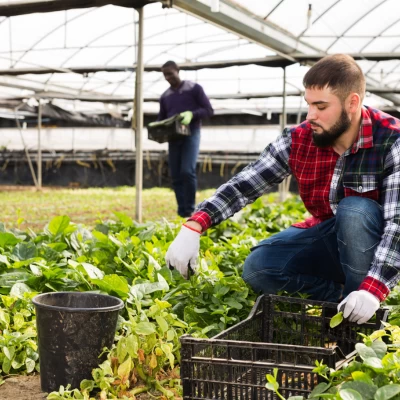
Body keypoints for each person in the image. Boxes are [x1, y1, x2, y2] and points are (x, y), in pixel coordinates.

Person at [166, 54, 400, 324]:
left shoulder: (391, 140)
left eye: (321, 106)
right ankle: (342, 302)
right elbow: (247, 183)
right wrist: (196, 224)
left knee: (355, 210)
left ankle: (359, 319)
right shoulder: (300, 139)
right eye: (309, 104)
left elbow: (397, 223)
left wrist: (374, 289)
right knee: (259, 268)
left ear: (352, 103)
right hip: (330, 236)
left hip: (373, 245)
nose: (311, 115)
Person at [157, 60, 214, 218]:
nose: (168, 77)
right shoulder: (165, 96)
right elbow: (161, 118)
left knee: (187, 171)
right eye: (165, 75)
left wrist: (192, 114)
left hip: (191, 133)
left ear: (178, 71)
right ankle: (182, 211)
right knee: (175, 174)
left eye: (170, 73)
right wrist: (157, 126)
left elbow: (208, 110)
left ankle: (190, 209)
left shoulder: (194, 89)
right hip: (173, 137)